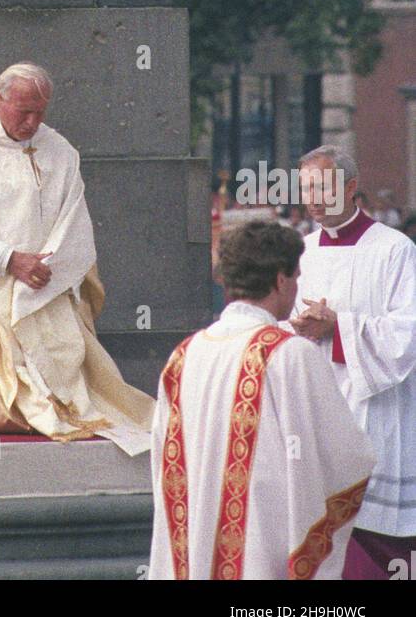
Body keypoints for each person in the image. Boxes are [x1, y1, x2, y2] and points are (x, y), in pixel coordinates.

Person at [0, 63, 155, 455]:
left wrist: (47, 266)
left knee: (86, 397)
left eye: (40, 112)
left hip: (45, 282)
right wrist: (8, 260)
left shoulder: (59, 151)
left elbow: (74, 217)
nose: (33, 122)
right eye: (23, 112)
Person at [149, 220, 375, 580]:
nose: (297, 288)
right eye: (297, 278)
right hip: (259, 554)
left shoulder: (182, 356)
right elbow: (344, 457)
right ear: (281, 280)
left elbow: (165, 465)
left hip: (192, 550)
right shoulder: (289, 355)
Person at [292, 145, 416, 580]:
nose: (312, 198)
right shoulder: (299, 253)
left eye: (322, 186)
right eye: (305, 188)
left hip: (377, 416)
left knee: (371, 550)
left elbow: (408, 335)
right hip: (317, 414)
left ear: (349, 186)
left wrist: (339, 327)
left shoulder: (394, 250)